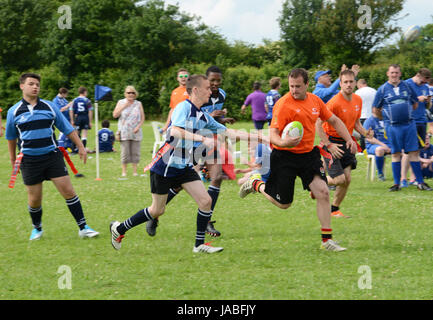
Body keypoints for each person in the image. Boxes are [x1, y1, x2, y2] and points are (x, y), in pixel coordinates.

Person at [110, 74, 266, 253]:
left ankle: (199, 245)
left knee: (205, 201)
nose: (211, 91)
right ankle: (119, 229)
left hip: (183, 165)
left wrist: (262, 137)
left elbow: (229, 133)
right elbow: (175, 131)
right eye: (207, 88)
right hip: (166, 164)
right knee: (157, 210)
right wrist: (202, 139)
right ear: (196, 90)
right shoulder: (183, 107)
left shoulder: (202, 115)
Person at [239, 68, 358, 252]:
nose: (294, 90)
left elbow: (333, 120)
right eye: (291, 86)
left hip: (308, 155)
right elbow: (273, 133)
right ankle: (256, 183)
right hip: (284, 156)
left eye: (298, 86)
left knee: (323, 192)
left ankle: (327, 241)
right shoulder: (283, 104)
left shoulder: (315, 101)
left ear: (307, 85)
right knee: (284, 204)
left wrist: (349, 138)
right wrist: (284, 142)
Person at [5, 73, 99, 241]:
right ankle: (37, 228)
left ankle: (83, 227)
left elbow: (67, 127)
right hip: (29, 161)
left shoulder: (49, 106)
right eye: (31, 84)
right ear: (22, 86)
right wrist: (13, 161)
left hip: (52, 156)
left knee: (69, 191)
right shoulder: (14, 111)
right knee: (34, 200)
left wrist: (80, 146)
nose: (35, 87)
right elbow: (11, 138)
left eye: (37, 85)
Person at [146, 66, 234, 238]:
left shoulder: (221, 95)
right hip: (191, 142)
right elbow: (184, 115)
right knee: (179, 184)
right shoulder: (197, 95)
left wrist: (222, 118)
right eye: (212, 81)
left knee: (216, 177)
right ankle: (154, 215)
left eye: (218, 81)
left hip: (210, 139)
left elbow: (211, 120)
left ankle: (207, 221)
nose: (215, 84)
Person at [316, 70, 373, 219]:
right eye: (345, 82)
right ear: (340, 84)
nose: (348, 84)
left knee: (347, 179)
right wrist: (328, 144)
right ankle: (316, 184)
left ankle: (334, 209)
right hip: (332, 143)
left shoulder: (357, 100)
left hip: (347, 142)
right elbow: (318, 123)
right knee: (339, 179)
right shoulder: (334, 102)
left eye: (351, 81)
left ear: (355, 83)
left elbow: (356, 124)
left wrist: (366, 133)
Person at [372, 64, 432, 191]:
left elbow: (415, 103)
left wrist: (406, 115)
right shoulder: (382, 89)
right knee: (396, 153)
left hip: (409, 125)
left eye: (396, 72)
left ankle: (420, 182)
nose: (394, 75)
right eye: (392, 72)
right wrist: (386, 119)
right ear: (388, 73)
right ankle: (396, 183)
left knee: (414, 152)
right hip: (392, 127)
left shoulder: (407, 86)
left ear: (400, 74)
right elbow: (376, 110)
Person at [400, 68, 432, 187]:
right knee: (408, 151)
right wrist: (418, 98)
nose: (424, 84)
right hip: (410, 121)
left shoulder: (425, 87)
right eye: (423, 81)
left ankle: (413, 179)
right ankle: (403, 179)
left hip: (422, 121)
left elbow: (427, 106)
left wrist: (428, 101)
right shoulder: (407, 84)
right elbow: (403, 101)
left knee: (417, 151)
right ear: (418, 75)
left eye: (426, 82)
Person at [112, 86, 145, 177]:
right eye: (128, 93)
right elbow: (115, 115)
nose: (130, 94)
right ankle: (124, 171)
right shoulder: (121, 102)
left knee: (135, 152)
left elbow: (142, 117)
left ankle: (135, 171)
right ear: (125, 94)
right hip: (124, 131)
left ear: (135, 94)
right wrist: (124, 106)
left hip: (136, 131)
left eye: (132, 93)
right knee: (125, 152)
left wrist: (138, 126)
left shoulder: (138, 104)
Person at [363, 113, 392, 181]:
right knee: (380, 150)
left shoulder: (388, 119)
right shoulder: (369, 121)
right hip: (373, 146)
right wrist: (383, 145)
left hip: (389, 144)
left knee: (403, 150)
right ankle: (380, 174)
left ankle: (403, 177)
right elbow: (369, 138)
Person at [161, 68, 190, 132]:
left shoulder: (192, 90)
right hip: (175, 122)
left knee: (187, 141)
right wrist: (166, 126)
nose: (183, 78)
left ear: (188, 78)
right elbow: (172, 109)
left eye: (185, 76)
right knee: (171, 141)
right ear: (177, 78)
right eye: (181, 76)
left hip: (187, 123)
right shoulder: (174, 91)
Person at [355, 79, 377, 150]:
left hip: (362, 115)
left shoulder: (357, 92)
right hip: (372, 115)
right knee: (373, 133)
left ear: (359, 85)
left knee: (362, 134)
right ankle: (374, 147)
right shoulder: (374, 91)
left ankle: (363, 149)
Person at [69, 86, 93, 151]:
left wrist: (72, 120)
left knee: (76, 134)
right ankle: (83, 149)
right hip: (85, 117)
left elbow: (71, 110)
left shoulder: (75, 100)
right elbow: (90, 111)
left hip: (78, 118)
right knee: (84, 133)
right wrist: (90, 121)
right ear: (84, 92)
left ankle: (73, 149)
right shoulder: (87, 100)